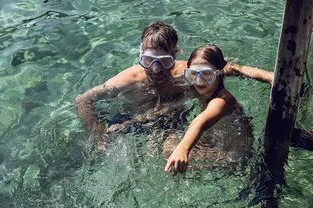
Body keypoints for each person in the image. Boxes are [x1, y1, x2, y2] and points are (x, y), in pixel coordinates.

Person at [75, 22, 273, 149]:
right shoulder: (128, 80)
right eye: (148, 61)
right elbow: (83, 100)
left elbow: (232, 68)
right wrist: (98, 135)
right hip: (134, 123)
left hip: (174, 123)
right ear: (140, 55)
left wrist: (270, 77)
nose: (156, 70)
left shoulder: (187, 73)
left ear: (175, 55)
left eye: (164, 62)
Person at [164, 44, 252, 175]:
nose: (199, 80)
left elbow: (201, 121)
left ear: (220, 73)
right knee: (167, 142)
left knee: (171, 148)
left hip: (232, 154)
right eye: (193, 74)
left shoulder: (222, 100)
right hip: (214, 140)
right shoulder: (199, 89)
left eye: (207, 74)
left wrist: (183, 148)